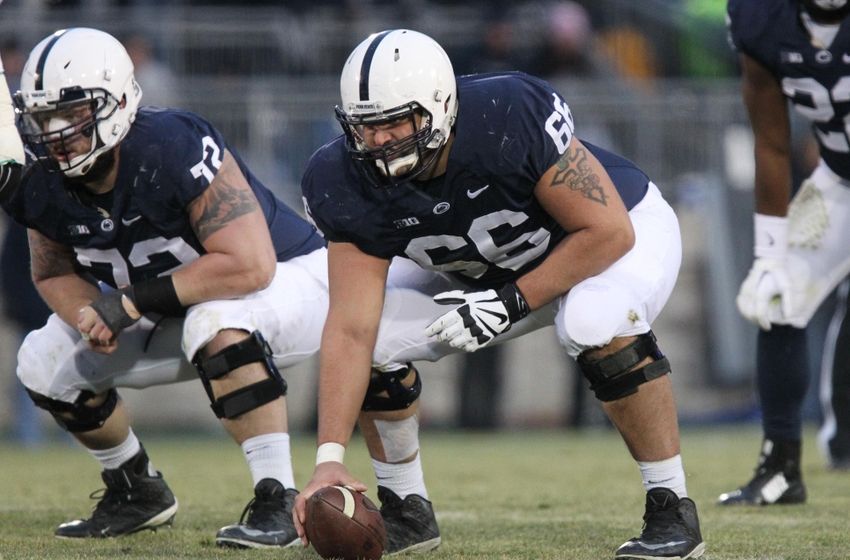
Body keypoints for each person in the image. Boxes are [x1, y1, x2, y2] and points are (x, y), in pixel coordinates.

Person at [294, 29, 705, 559]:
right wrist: (329, 456)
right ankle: (406, 510)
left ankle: (671, 505)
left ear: (440, 107)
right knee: (372, 343)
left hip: (610, 237)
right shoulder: (339, 177)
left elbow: (608, 232)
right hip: (484, 273)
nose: (379, 142)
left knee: (593, 320)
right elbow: (350, 325)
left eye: (396, 122)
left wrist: (509, 301)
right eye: (366, 127)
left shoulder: (507, 115)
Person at [0, 27, 329, 547]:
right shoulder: (37, 178)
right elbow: (52, 271)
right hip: (165, 307)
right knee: (40, 359)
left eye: (73, 114)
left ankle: (279, 500)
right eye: (43, 118)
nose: (56, 133)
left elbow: (249, 265)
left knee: (215, 318)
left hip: (292, 283)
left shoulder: (172, 144)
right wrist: (90, 311)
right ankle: (136, 489)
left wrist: (127, 302)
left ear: (118, 101)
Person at [721, 0, 850, 506]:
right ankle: (779, 468)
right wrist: (768, 255)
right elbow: (771, 143)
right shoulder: (761, 18)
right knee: (778, 296)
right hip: (839, 180)